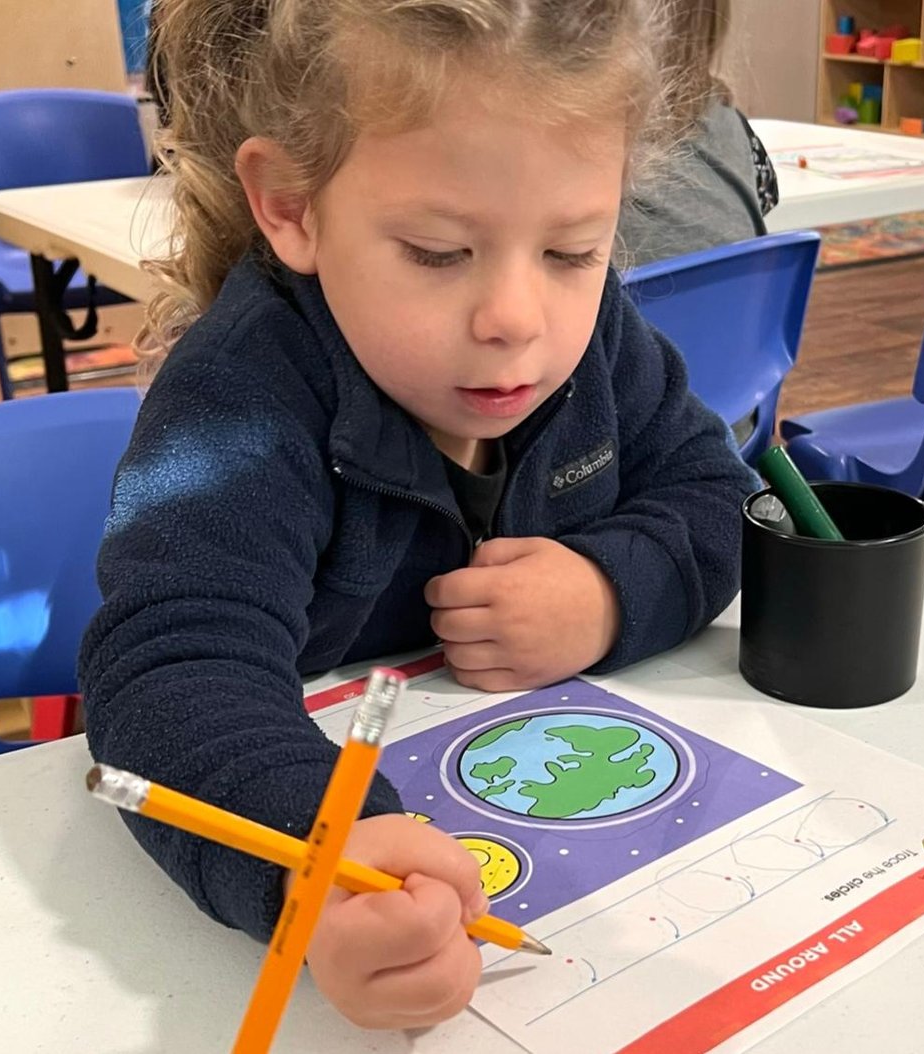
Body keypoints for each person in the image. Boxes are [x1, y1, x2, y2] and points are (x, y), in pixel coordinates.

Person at [80, 0, 758, 1031]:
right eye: (439, 252)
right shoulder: (241, 400)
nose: (516, 319)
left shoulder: (594, 341)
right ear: (293, 207)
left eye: (574, 251)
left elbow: (715, 492)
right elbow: (171, 668)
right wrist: (320, 856)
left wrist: (609, 591)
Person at [619, 0, 779, 266]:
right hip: (745, 290)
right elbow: (766, 197)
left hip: (640, 291)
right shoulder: (729, 117)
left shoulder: (603, 126)